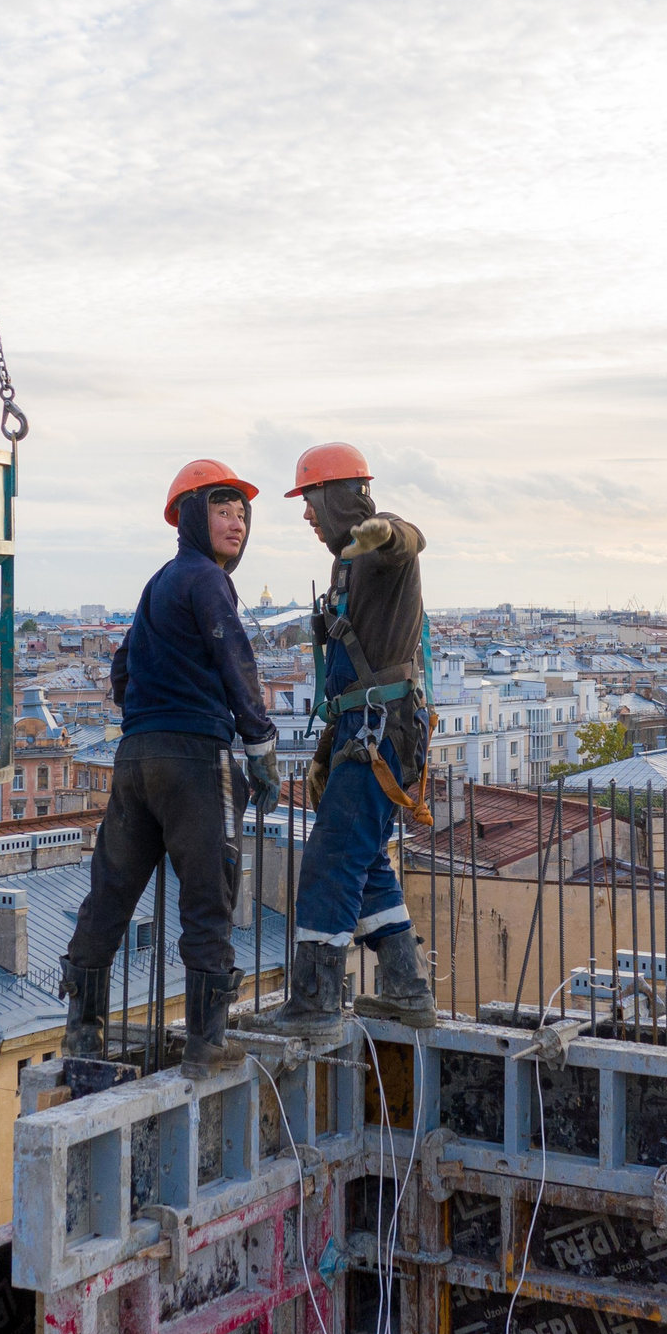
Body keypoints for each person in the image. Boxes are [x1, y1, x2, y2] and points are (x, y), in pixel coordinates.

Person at [59, 461, 282, 1077]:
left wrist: (150, 711)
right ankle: (206, 1042)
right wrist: (260, 748)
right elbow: (236, 660)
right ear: (191, 517)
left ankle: (83, 1031)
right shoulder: (208, 579)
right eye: (222, 510)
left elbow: (122, 669)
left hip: (135, 758)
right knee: (210, 895)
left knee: (110, 893)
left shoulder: (158, 582)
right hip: (195, 760)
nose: (236, 523)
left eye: (242, 514)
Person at [276, 441, 436, 1035]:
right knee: (365, 860)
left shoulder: (381, 550)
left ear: (337, 496)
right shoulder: (346, 565)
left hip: (379, 732)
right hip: (363, 729)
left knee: (331, 861)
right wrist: (326, 751)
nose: (306, 514)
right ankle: (406, 988)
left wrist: (382, 533)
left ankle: (315, 1005)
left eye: (311, 500)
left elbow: (409, 539)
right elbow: (347, 679)